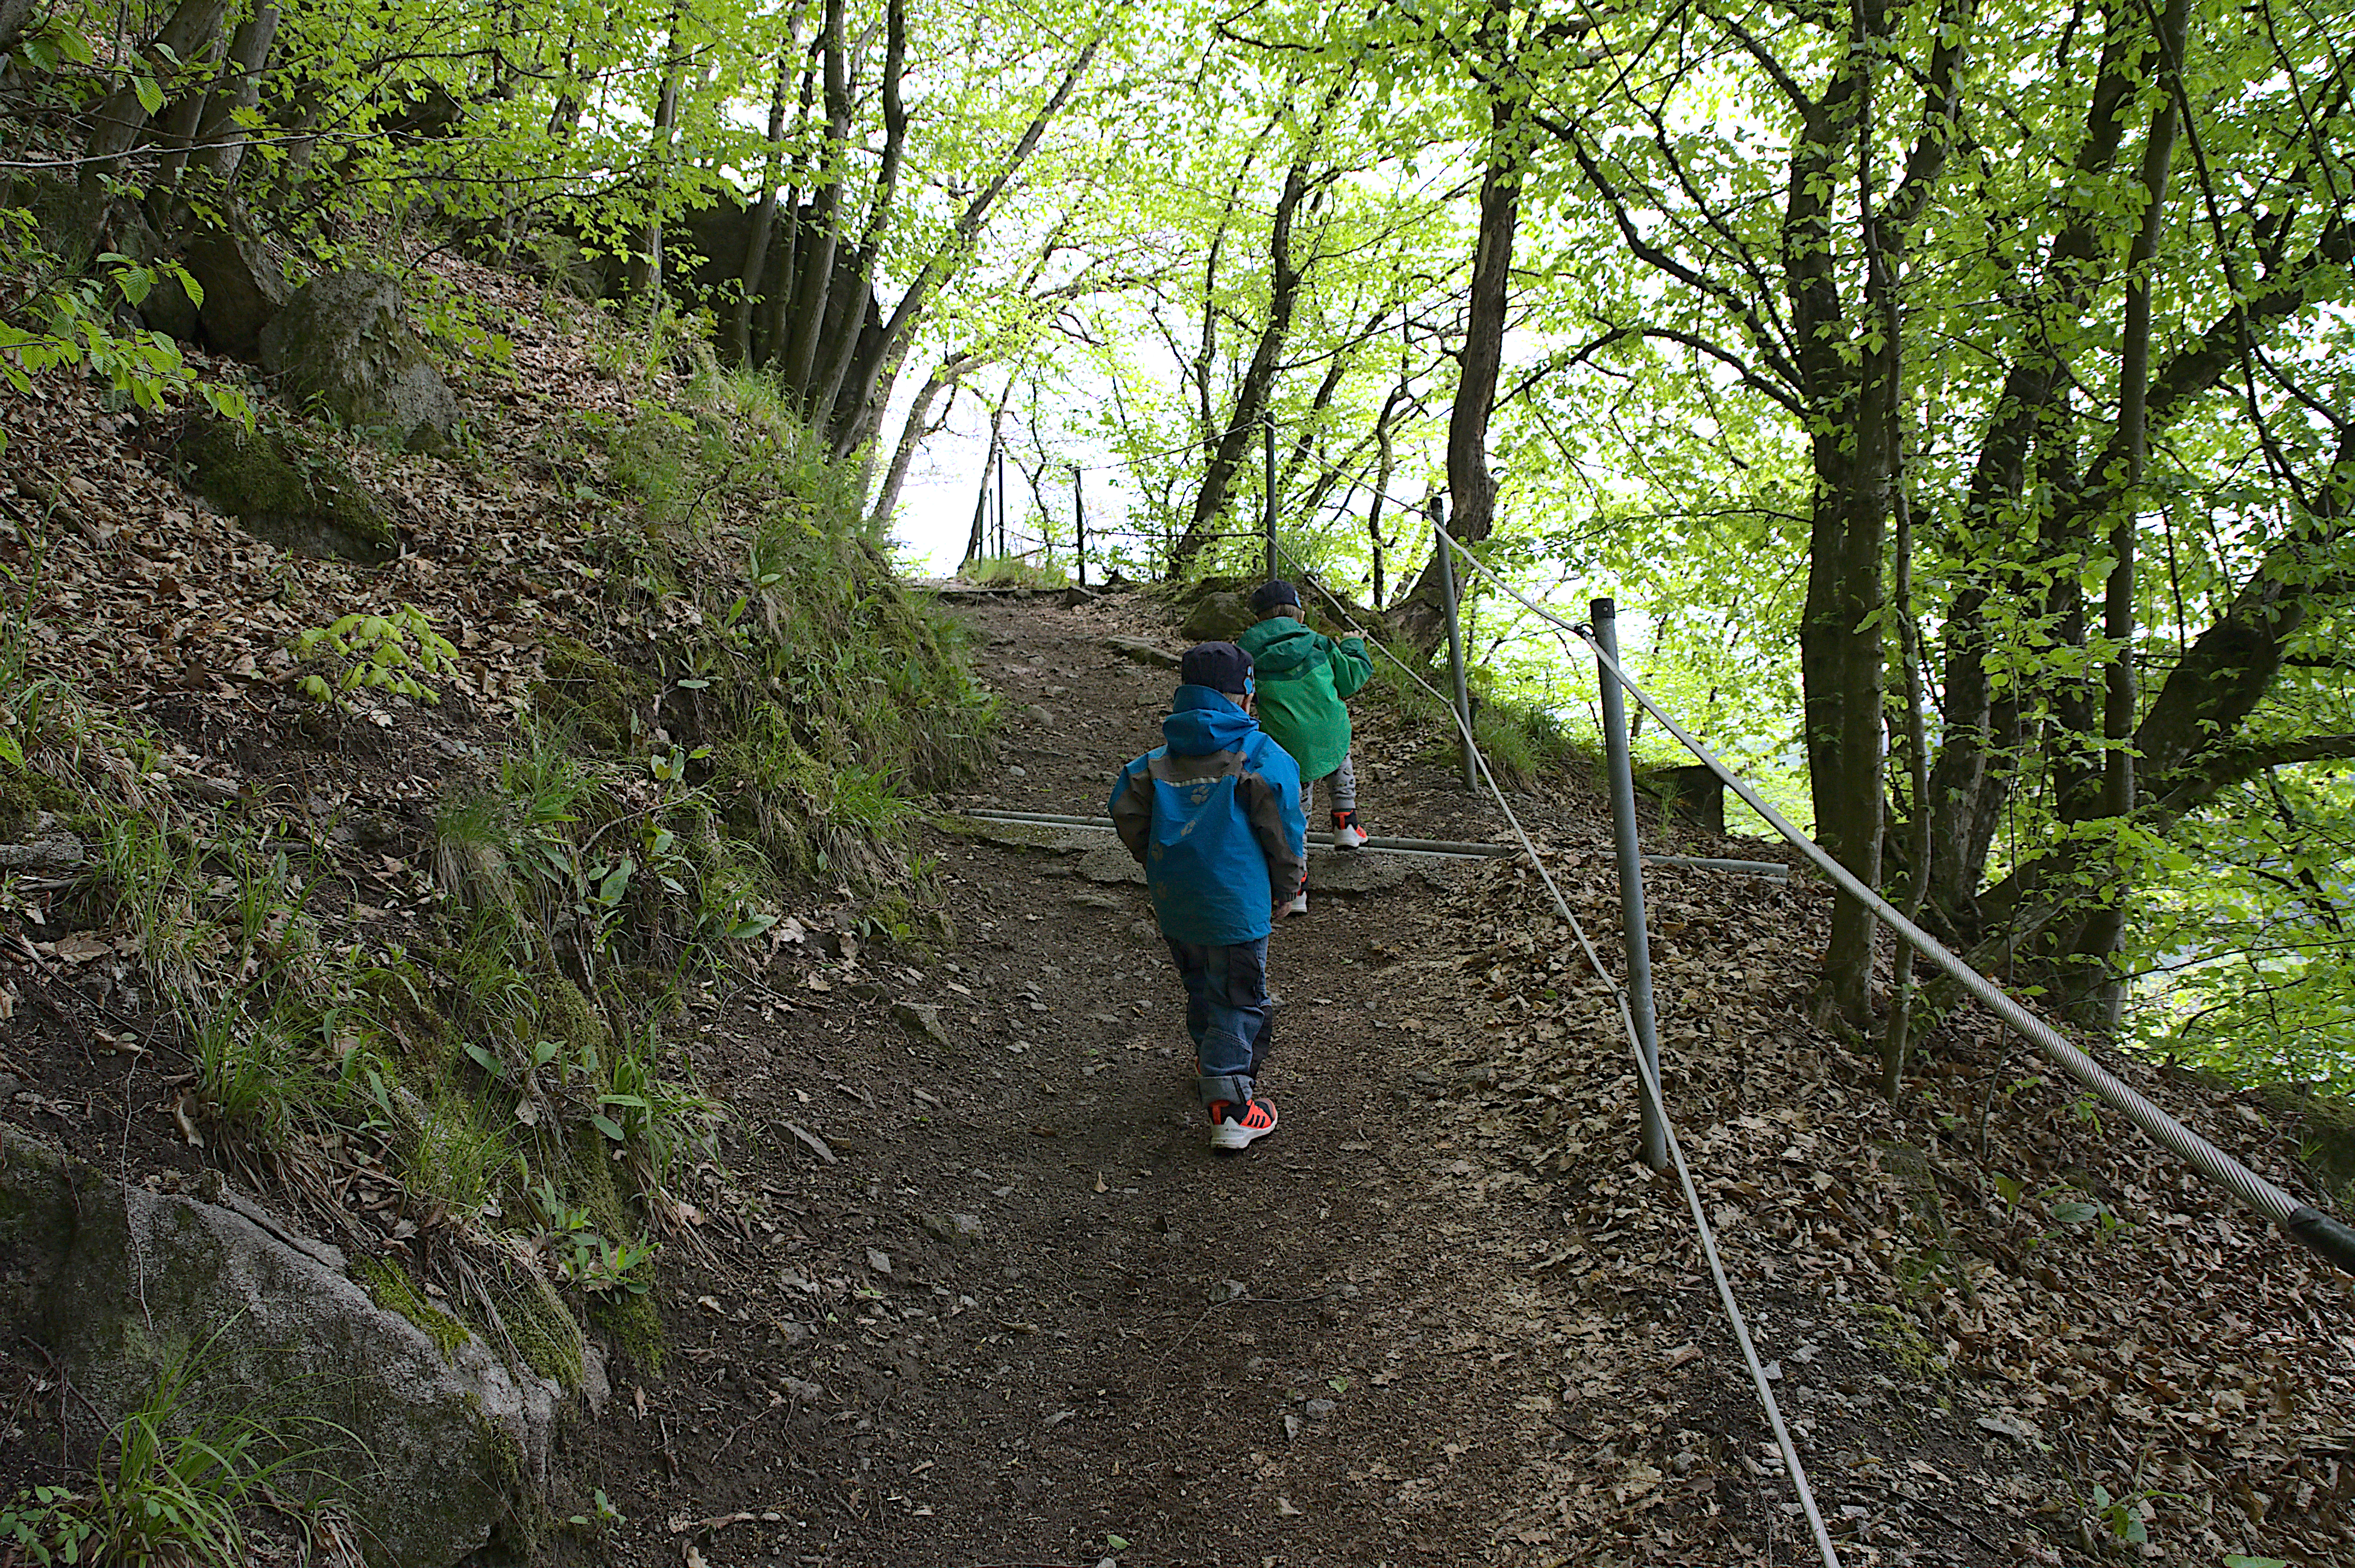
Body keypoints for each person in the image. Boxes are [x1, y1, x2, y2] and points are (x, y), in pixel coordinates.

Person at [1109, 642, 1306, 1152]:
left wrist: (1156, 858)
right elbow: (1283, 826)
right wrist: (1289, 884)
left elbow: (1126, 808)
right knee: (1239, 996)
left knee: (1202, 984)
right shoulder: (1258, 755)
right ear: (1245, 696)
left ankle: (1211, 1064)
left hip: (1177, 900)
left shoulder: (1155, 761)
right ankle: (1231, 1108)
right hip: (1236, 902)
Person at [1236, 580, 1375, 914]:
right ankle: (1346, 823)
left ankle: (1296, 886)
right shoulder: (1319, 644)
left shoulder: (1247, 655)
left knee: (1296, 810)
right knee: (1338, 753)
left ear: (1258, 619)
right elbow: (1351, 679)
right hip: (1330, 730)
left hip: (1286, 741)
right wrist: (1353, 645)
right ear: (1299, 614)